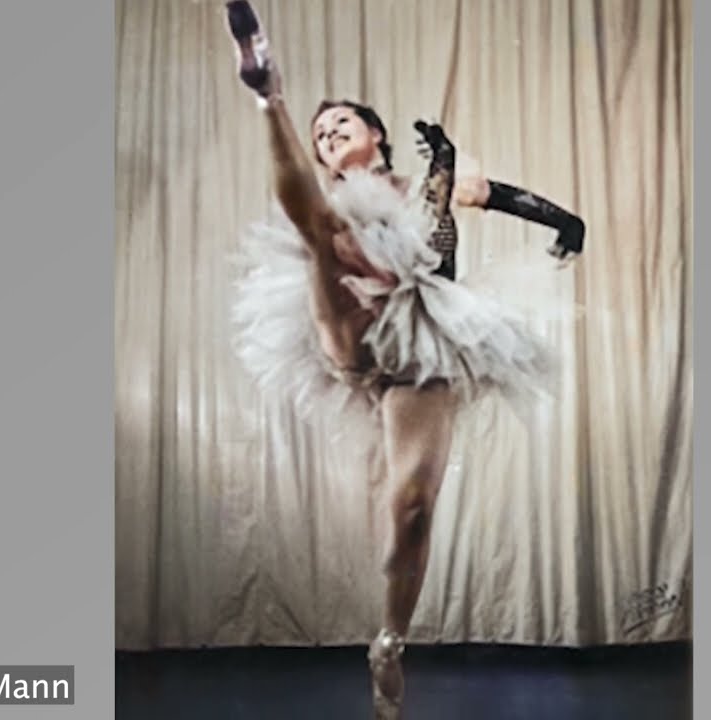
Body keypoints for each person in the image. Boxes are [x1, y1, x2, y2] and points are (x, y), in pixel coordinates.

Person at [223, 3, 585, 717]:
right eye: (322, 135)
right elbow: (310, 206)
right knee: (321, 230)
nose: (331, 136)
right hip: (348, 326)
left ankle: (389, 642)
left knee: (412, 506)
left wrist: (564, 221)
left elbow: (497, 196)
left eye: (341, 124)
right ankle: (270, 96)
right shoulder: (330, 202)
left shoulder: (429, 182)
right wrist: (284, 116)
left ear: (376, 133)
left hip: (425, 337)